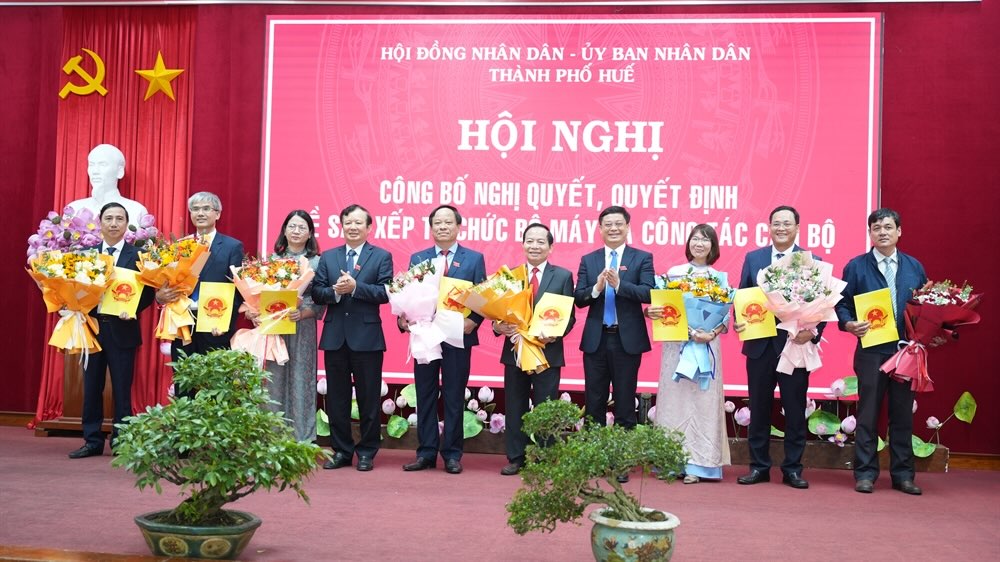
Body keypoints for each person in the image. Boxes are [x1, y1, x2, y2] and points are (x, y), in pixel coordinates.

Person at [836, 208, 927, 495]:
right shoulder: (856, 266)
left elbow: (926, 307)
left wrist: (930, 334)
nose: (883, 232)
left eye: (888, 227)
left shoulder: (915, 267)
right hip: (871, 350)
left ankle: (903, 475)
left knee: (902, 415)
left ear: (899, 231)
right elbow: (841, 304)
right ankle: (864, 473)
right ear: (870, 233)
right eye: (877, 228)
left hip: (905, 351)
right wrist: (849, 323)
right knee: (868, 413)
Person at [733, 205, 823, 489]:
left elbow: (822, 303)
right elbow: (744, 295)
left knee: (795, 410)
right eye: (776, 223)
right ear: (769, 227)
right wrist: (740, 320)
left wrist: (812, 332)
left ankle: (793, 469)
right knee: (758, 409)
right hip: (759, 346)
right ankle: (759, 467)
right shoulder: (754, 257)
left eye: (787, 223)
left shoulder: (811, 260)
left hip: (793, 345)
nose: (781, 228)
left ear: (797, 227)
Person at [398, 205, 486, 474]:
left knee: (453, 395)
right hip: (426, 335)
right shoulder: (419, 258)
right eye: (437, 223)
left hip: (457, 336)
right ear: (431, 227)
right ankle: (425, 452)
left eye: (448, 222)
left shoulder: (473, 258)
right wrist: (403, 318)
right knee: (424, 393)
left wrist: (476, 320)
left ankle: (452, 453)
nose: (443, 227)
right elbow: (409, 294)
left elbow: (483, 296)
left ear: (459, 227)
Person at [574, 206, 655, 481]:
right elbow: (579, 298)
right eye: (607, 224)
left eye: (618, 224)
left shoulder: (642, 258)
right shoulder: (589, 259)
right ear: (600, 229)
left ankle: (621, 463)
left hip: (626, 341)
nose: (613, 228)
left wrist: (620, 285)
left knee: (624, 401)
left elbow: (648, 292)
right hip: (596, 340)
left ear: (627, 226)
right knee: (594, 401)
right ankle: (594, 460)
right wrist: (597, 288)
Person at [646, 224, 731, 483]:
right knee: (675, 403)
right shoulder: (674, 274)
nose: (699, 244)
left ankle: (699, 465)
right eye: (695, 238)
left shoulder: (720, 278)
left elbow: (727, 315)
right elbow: (663, 307)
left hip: (706, 344)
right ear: (688, 243)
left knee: (703, 403)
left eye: (705, 240)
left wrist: (711, 332)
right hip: (678, 345)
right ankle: (671, 461)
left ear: (713, 246)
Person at [69, 202, 154, 458]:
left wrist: (134, 308)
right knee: (91, 387)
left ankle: (122, 440)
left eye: (119, 219)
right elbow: (76, 288)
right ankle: (92, 440)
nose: (114, 223)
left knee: (121, 387)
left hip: (123, 328)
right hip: (92, 329)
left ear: (127, 224)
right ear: (100, 222)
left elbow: (149, 291)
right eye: (109, 218)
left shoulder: (138, 256)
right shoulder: (87, 255)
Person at [313, 205, 393, 471]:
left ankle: (368, 452)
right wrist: (335, 293)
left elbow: (386, 292)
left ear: (369, 227)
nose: (353, 227)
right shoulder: (329, 257)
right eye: (348, 222)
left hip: (367, 338)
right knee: (336, 399)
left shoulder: (381, 256)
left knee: (369, 398)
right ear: (342, 225)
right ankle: (342, 451)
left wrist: (356, 287)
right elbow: (317, 292)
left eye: (359, 223)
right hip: (335, 337)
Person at [493, 223, 576, 476]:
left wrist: (554, 334)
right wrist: (499, 326)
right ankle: (516, 457)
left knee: (545, 408)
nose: (535, 246)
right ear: (523, 244)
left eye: (541, 242)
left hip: (546, 353)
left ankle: (543, 457)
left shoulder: (562, 276)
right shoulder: (509, 276)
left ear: (551, 247)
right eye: (530, 241)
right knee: (515, 405)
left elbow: (569, 317)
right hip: (515, 352)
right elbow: (495, 314)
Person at [157, 192, 244, 397]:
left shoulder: (232, 246)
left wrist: (225, 323)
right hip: (183, 320)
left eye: (206, 209)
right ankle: (184, 428)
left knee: (214, 384)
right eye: (195, 209)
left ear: (218, 214)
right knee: (183, 381)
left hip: (214, 320)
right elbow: (167, 282)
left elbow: (238, 289)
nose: (200, 213)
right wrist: (160, 296)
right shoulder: (180, 245)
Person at [251, 210, 323, 443]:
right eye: (291, 226)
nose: (296, 231)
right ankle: (272, 437)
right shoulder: (271, 261)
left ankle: (303, 438)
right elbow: (257, 296)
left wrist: (302, 313)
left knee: (302, 378)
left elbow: (322, 300)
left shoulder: (317, 262)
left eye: (302, 227)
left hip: (302, 325)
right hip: (274, 328)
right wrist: (255, 312)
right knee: (273, 378)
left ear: (310, 233)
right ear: (284, 230)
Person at [67, 144, 149, 228]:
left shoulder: (136, 211)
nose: (95, 171)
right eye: (91, 165)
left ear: (120, 171)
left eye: (103, 164)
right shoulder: (73, 209)